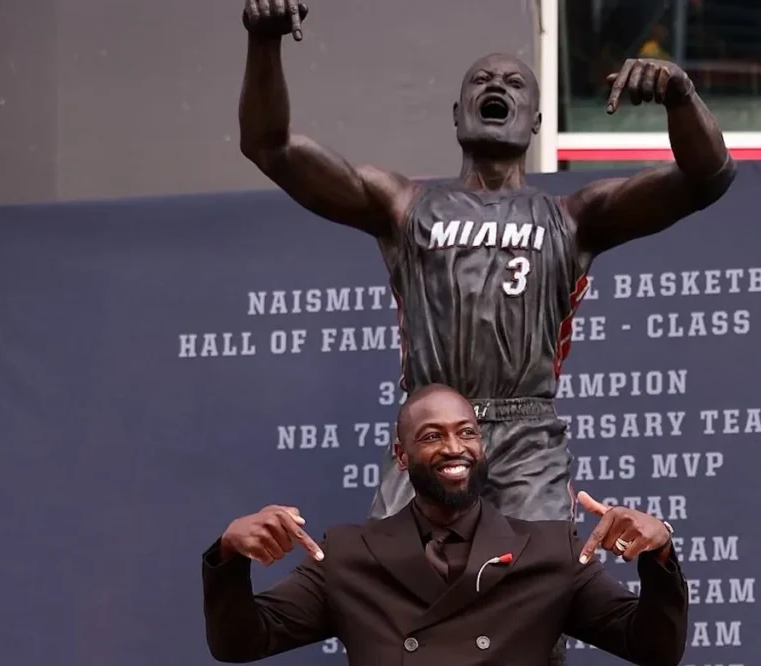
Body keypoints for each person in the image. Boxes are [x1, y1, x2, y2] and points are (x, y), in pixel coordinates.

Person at [239, 3, 728, 661]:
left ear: (536, 120)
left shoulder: (574, 218)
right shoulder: (403, 204)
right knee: (380, 589)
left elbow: (707, 177)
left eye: (514, 83)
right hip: (431, 433)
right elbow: (271, 147)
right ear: (456, 115)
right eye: (480, 81)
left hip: (527, 436)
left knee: (539, 606)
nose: (496, 86)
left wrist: (680, 95)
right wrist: (264, 41)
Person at [202, 384, 687, 665]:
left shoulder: (549, 550)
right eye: (432, 436)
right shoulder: (348, 555)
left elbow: (654, 648)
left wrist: (660, 553)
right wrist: (228, 556)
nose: (454, 448)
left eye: (467, 433)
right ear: (402, 455)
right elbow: (240, 642)